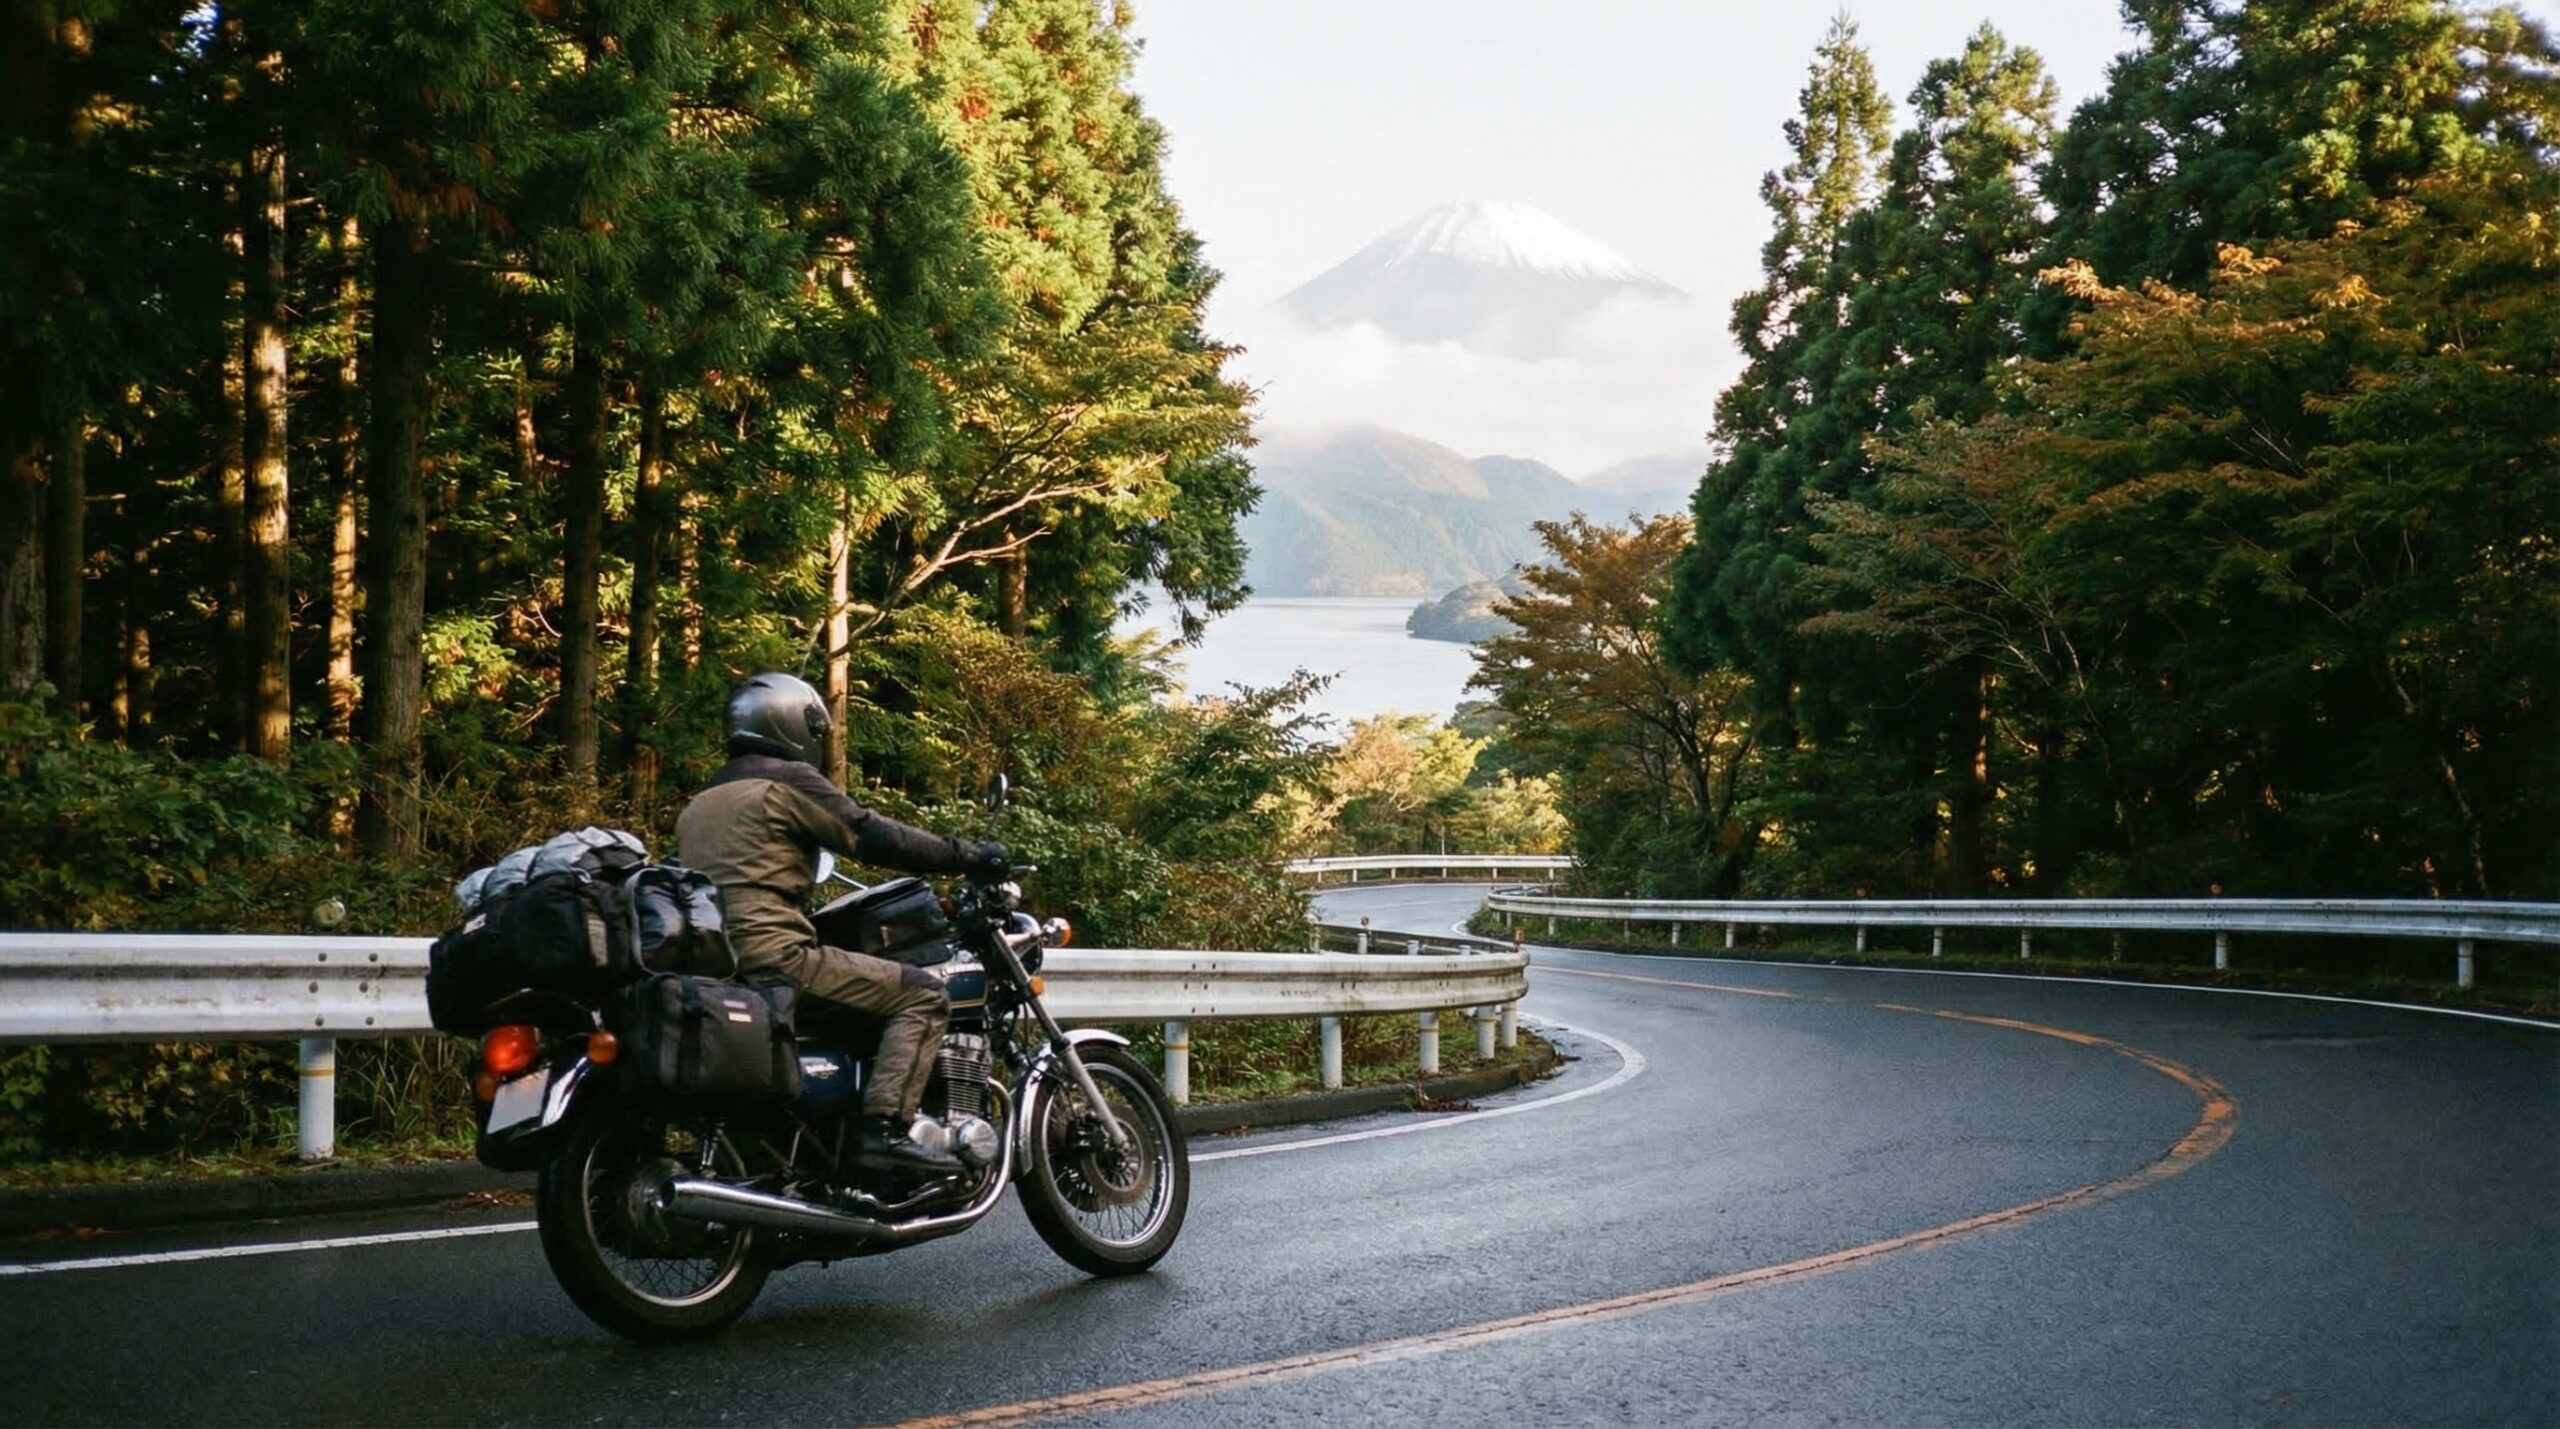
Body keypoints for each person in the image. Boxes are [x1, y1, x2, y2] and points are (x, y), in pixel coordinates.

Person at [675, 671, 1009, 1175]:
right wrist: (965, 855)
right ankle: (884, 1131)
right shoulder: (786, 780)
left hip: (713, 964)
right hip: (774, 955)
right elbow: (869, 834)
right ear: (791, 723)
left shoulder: (701, 801)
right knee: (922, 994)